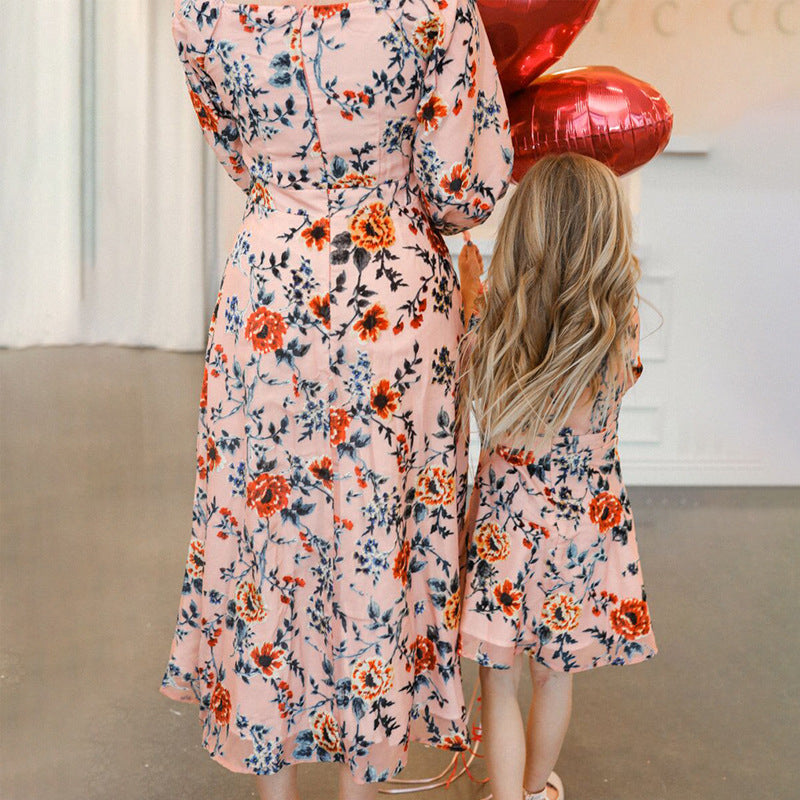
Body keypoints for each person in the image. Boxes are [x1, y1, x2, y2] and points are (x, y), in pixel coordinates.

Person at [161, 0, 512, 798]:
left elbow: (237, 155)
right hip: (390, 299)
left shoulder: (204, 9)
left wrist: (298, 193)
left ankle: (274, 787)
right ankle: (365, 780)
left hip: (270, 293)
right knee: (375, 532)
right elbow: (462, 187)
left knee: (267, 536)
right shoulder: (433, 7)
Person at [456, 153, 658, 800]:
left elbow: (471, 374)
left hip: (505, 530)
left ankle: (506, 795)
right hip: (583, 528)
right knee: (555, 675)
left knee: (499, 677)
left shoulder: (496, 321)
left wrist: (469, 291)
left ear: (523, 230)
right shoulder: (616, 325)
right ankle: (539, 789)